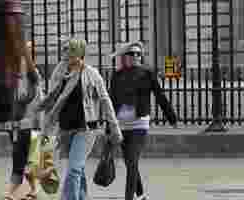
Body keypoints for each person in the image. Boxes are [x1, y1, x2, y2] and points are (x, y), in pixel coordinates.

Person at [39, 38, 122, 200]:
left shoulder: (92, 74)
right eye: (64, 51)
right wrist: (43, 124)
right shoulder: (59, 72)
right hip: (65, 129)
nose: (64, 54)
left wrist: (115, 127)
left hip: (86, 129)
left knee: (73, 169)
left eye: (69, 51)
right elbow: (51, 100)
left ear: (79, 53)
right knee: (78, 168)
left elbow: (106, 101)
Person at [109, 41, 179, 200]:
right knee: (129, 162)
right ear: (124, 57)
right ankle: (140, 195)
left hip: (139, 123)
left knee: (132, 160)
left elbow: (160, 95)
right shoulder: (117, 75)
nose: (136, 56)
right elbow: (111, 101)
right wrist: (109, 127)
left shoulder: (147, 73)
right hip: (121, 125)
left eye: (138, 54)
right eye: (132, 53)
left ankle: (129, 197)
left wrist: (171, 117)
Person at [3, 40, 44, 200]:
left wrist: (25, 53)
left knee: (27, 162)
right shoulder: (14, 79)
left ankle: (11, 192)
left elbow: (34, 102)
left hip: (31, 126)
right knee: (22, 160)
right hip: (18, 126)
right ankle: (33, 189)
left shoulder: (34, 77)